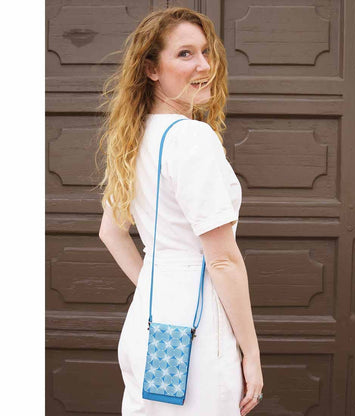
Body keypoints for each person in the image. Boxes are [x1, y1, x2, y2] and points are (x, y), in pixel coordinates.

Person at [97, 7, 263, 416]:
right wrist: (252, 353)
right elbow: (222, 259)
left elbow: (111, 232)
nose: (204, 65)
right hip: (197, 329)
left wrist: (156, 281)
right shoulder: (191, 138)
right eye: (185, 54)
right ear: (152, 69)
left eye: (205, 51)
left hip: (149, 319)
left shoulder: (135, 138)